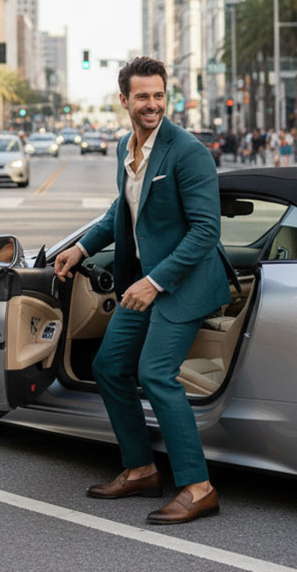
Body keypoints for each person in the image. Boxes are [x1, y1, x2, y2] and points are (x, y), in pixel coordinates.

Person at [53, 56, 229, 525]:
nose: (152, 105)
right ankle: (141, 469)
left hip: (183, 284)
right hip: (144, 283)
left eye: (158, 96)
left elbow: (206, 231)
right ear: (124, 100)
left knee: (154, 375)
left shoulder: (187, 152)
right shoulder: (123, 148)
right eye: (143, 97)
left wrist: (154, 283)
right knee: (109, 366)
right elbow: (122, 210)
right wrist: (81, 247)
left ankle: (198, 486)